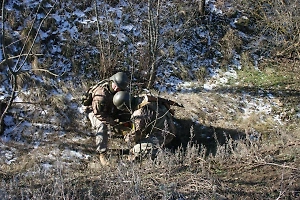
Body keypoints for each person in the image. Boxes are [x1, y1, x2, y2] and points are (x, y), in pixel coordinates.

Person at [112, 91, 181, 161]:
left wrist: (126, 137)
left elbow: (135, 135)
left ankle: (165, 155)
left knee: (137, 149)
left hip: (164, 134)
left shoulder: (138, 115)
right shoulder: (144, 98)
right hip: (169, 126)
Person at [82, 72, 130, 166]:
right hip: (94, 111)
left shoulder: (122, 90)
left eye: (119, 87)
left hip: (109, 109)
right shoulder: (101, 93)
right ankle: (102, 153)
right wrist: (114, 123)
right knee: (102, 125)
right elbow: (98, 114)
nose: (117, 88)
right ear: (112, 81)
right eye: (115, 85)